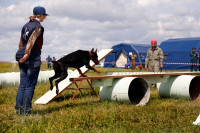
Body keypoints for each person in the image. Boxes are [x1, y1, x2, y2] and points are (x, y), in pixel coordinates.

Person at [15, 6, 48, 115]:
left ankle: (18, 110)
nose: (45, 18)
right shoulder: (38, 27)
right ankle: (25, 112)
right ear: (41, 15)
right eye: (44, 15)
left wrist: (21, 53)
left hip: (21, 55)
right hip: (31, 57)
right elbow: (31, 40)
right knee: (30, 86)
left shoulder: (25, 25)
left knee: (23, 84)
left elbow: (21, 41)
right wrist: (26, 54)